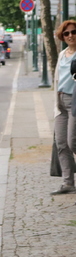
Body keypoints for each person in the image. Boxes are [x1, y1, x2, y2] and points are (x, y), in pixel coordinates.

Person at [51, 19, 76, 195]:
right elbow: (57, 79)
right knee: (61, 143)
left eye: (74, 32)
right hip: (60, 101)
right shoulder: (63, 54)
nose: (70, 36)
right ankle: (68, 183)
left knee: (72, 141)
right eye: (66, 33)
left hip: (75, 101)